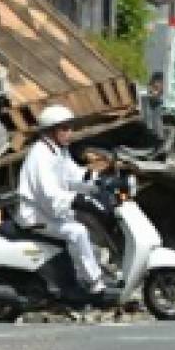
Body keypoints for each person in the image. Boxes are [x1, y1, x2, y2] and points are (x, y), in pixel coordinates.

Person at [16, 105, 112, 305]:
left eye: (70, 127)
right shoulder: (40, 156)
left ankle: (81, 278)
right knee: (77, 232)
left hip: (50, 213)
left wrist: (99, 182)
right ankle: (95, 287)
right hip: (35, 216)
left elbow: (74, 175)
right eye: (64, 128)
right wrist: (79, 200)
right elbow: (49, 196)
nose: (70, 133)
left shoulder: (58, 152)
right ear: (51, 131)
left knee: (82, 232)